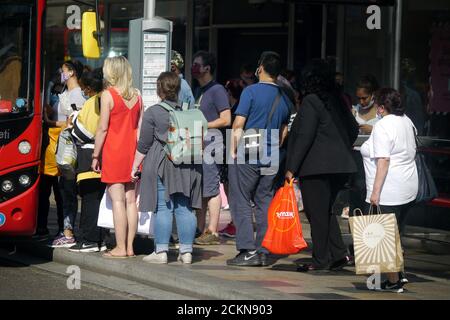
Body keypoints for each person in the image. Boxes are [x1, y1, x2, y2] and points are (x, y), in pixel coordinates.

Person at [285, 59, 359, 272]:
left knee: (316, 214)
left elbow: (304, 137)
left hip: (316, 167)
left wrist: (291, 168)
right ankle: (337, 254)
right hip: (341, 166)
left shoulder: (311, 101)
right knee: (326, 212)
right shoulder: (336, 99)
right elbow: (353, 129)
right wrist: (339, 146)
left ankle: (320, 260)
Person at [227, 51, 291, 266]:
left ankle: (246, 249)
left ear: (261, 68)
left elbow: (238, 124)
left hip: (249, 149)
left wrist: (233, 151)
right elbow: (284, 132)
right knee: (264, 201)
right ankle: (263, 250)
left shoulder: (251, 92)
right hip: (272, 152)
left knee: (241, 199)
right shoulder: (285, 96)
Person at [131, 72, 202, 264]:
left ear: (159, 89)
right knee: (185, 207)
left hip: (164, 163)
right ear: (178, 89)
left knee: (164, 206)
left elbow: (144, 144)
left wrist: (134, 166)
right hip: (188, 164)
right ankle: (186, 252)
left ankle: (161, 251)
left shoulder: (153, 112)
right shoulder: (188, 111)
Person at [360, 88, 418, 292]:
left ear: (382, 107)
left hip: (390, 189)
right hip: (408, 186)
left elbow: (383, 160)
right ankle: (399, 274)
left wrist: (375, 193)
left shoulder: (383, 125)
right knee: (396, 233)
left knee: (385, 236)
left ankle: (394, 282)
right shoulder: (407, 121)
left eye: (377, 104)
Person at [92, 56, 143, 258]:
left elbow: (103, 128)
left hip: (114, 151)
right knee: (131, 201)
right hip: (134, 152)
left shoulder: (108, 95)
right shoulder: (138, 95)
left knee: (118, 202)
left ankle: (120, 247)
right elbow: (140, 128)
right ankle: (130, 247)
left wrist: (96, 155)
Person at [191, 51, 231, 245]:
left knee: (212, 189)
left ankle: (212, 231)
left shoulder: (217, 90)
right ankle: (199, 229)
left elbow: (226, 118)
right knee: (200, 190)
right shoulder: (198, 90)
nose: (194, 68)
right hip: (199, 147)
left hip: (212, 146)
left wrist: (205, 125)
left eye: (197, 64)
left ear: (207, 68)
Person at [69, 68, 107, 253]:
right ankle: (101, 239)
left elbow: (83, 133)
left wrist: (73, 122)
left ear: (90, 88)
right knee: (101, 200)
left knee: (89, 199)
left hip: (90, 156)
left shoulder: (93, 102)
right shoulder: (108, 98)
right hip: (106, 155)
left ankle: (88, 240)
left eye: (84, 88)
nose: (83, 91)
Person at [51, 60, 86, 248]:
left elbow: (71, 123)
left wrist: (49, 121)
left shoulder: (78, 95)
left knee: (69, 191)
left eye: (63, 70)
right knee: (65, 190)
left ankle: (68, 231)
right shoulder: (65, 93)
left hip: (71, 149)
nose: (61, 73)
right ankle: (67, 229)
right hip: (64, 148)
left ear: (71, 72)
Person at [35, 71, 65, 237]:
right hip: (50, 158)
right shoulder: (49, 108)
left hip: (56, 157)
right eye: (54, 92)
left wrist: (49, 118)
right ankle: (49, 227)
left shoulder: (52, 110)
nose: (56, 96)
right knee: (50, 196)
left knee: (54, 196)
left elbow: (47, 120)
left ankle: (52, 228)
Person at [218, 79, 245, 238]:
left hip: (231, 152)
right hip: (230, 152)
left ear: (230, 93)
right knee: (231, 189)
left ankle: (236, 222)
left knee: (232, 189)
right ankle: (235, 222)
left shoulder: (235, 111)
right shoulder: (237, 109)